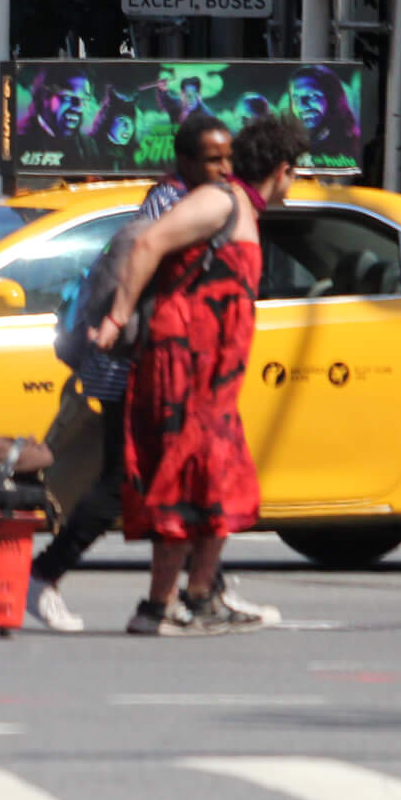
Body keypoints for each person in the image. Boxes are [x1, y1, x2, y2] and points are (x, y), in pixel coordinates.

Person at [93, 114, 306, 635]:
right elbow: (148, 244)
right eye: (295, 173)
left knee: (222, 481)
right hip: (182, 361)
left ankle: (199, 597)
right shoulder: (220, 201)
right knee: (183, 478)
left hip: (212, 372)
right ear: (282, 170)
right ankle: (156, 608)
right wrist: (118, 316)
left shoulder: (240, 208)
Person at [26, 113, 233, 634]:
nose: (224, 170)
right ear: (184, 162)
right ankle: (43, 574)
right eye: (213, 160)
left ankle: (204, 590)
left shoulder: (196, 202)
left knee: (167, 479)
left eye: (228, 160)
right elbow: (157, 281)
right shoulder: (173, 206)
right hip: (135, 366)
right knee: (126, 481)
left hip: (150, 363)